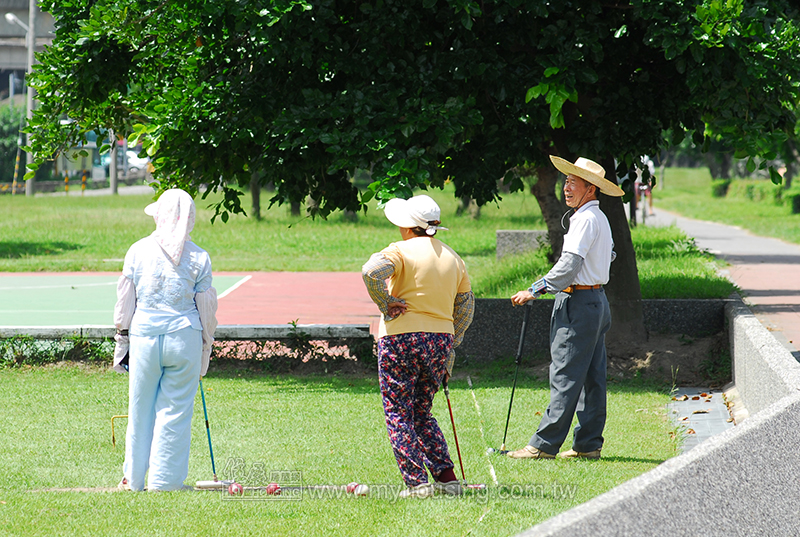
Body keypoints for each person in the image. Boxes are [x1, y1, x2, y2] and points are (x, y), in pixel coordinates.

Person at [507, 156, 623, 460]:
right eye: (567, 181)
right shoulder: (599, 218)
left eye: (574, 182)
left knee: (565, 374)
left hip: (579, 303)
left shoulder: (584, 219)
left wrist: (534, 290)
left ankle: (544, 445)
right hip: (597, 301)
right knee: (592, 377)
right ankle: (588, 445)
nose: (567, 187)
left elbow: (569, 265)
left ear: (591, 189)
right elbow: (608, 257)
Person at [362, 194, 474, 498]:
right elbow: (464, 307)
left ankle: (416, 483)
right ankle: (447, 478)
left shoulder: (399, 251)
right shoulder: (453, 257)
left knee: (398, 411)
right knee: (422, 411)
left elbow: (371, 272)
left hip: (400, 338)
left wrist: (386, 303)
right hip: (439, 341)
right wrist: (451, 345)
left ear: (409, 227)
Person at [113, 188, 218, 491]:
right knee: (176, 411)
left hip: (144, 337)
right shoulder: (200, 256)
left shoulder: (137, 250)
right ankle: (165, 482)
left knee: (139, 409)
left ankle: (132, 480)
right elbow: (206, 311)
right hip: (184, 338)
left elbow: (125, 303)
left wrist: (121, 341)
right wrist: (205, 348)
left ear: (159, 215)